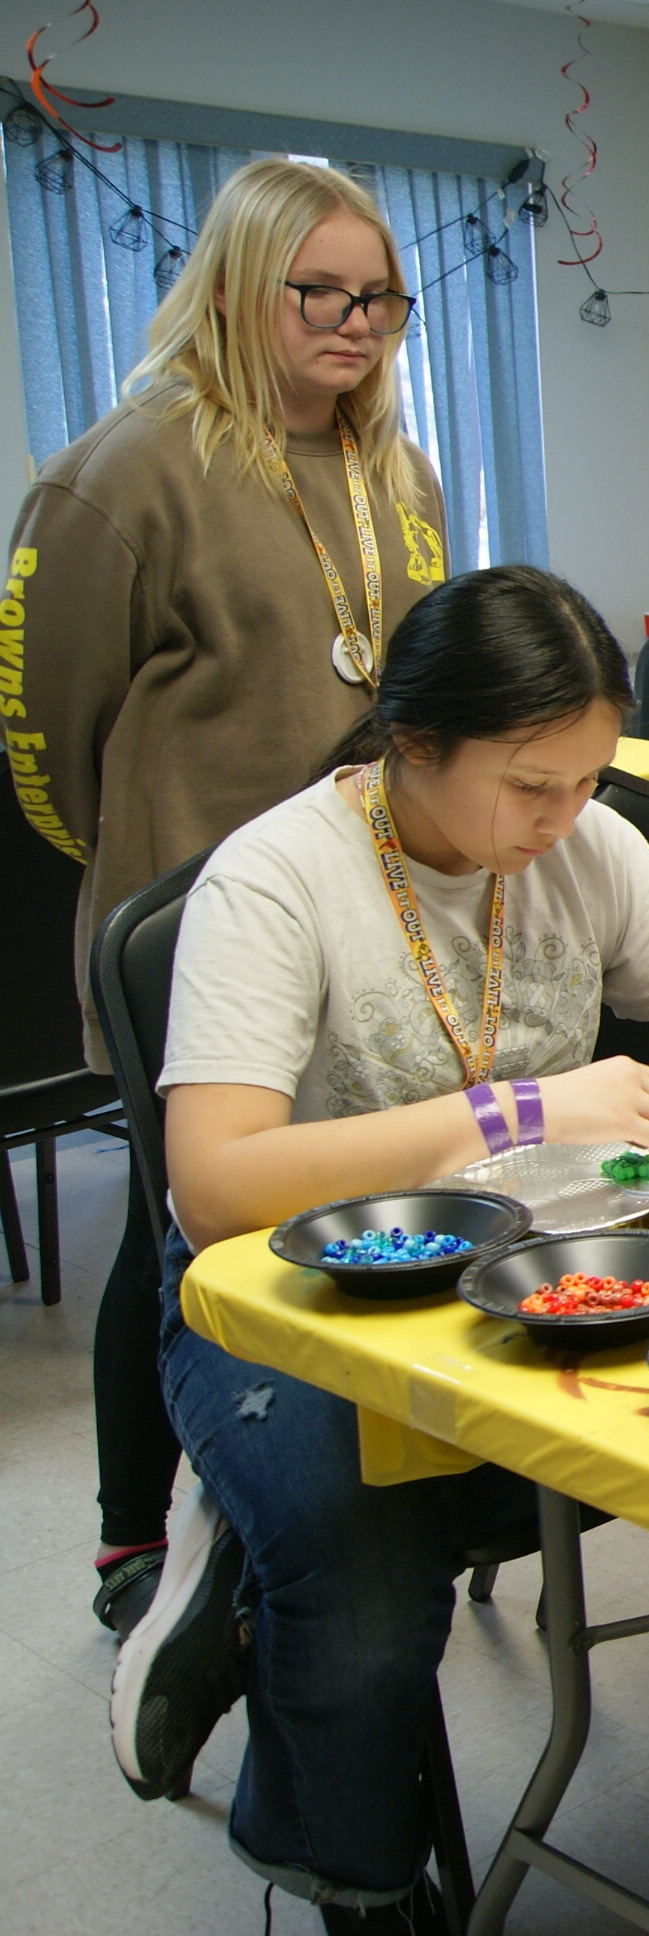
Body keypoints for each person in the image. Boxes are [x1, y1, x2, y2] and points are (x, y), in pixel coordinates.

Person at [114, 565, 649, 1932]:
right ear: (412, 742)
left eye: (588, 781)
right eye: (531, 786)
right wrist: (509, 1110)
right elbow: (214, 1190)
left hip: (517, 1272)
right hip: (289, 1298)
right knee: (368, 1570)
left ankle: (257, 1581)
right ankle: (360, 1877)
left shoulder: (588, 841)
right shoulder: (277, 879)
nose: (567, 820)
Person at [10, 157, 455, 1637]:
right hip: (188, 925)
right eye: (314, 290)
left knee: (350, 1201)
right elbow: (44, 741)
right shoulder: (122, 473)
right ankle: (135, 1536)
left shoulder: (401, 471)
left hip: (367, 915)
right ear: (234, 289)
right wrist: (152, 877)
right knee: (178, 1226)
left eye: (378, 295)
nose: (353, 321)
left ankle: (331, 1488)